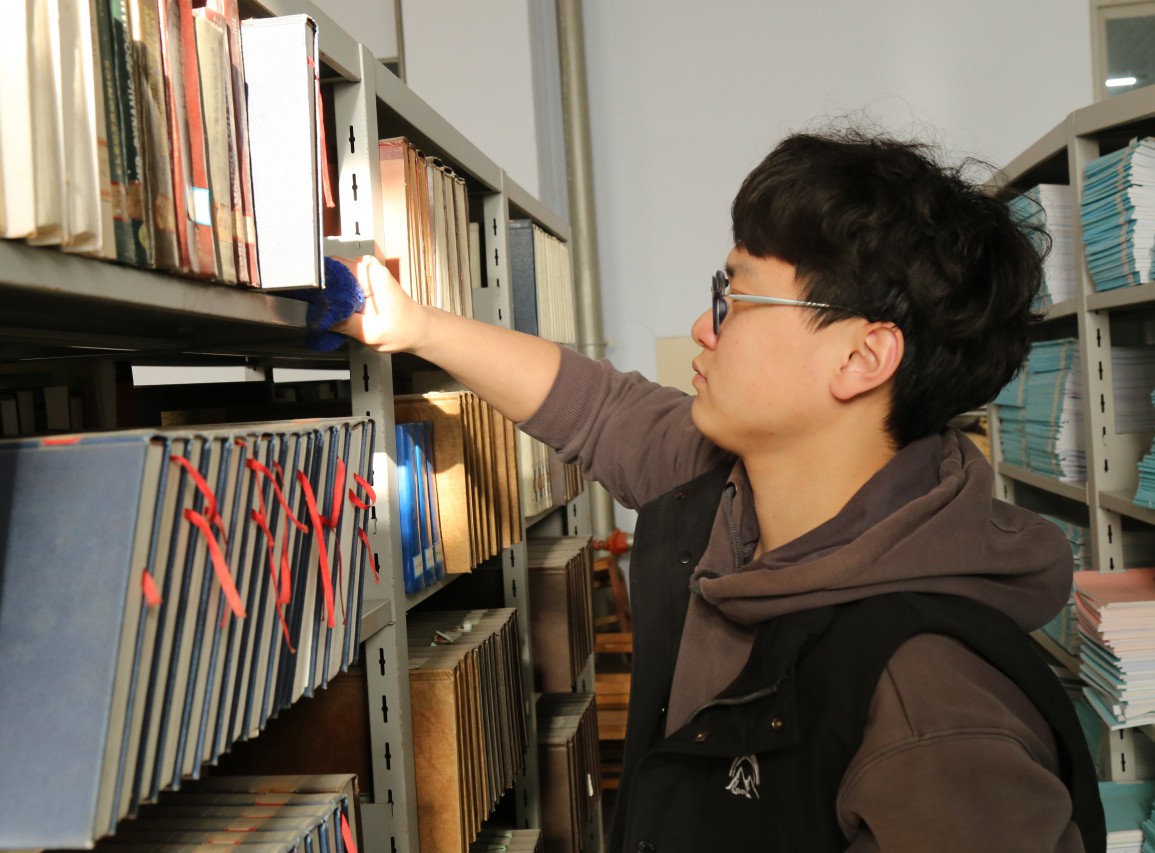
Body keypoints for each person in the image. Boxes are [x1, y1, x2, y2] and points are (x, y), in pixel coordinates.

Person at [335, 126, 1103, 852]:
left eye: (736, 298)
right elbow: (597, 408)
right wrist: (415, 326)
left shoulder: (935, 708)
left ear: (862, 358)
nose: (704, 329)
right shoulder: (721, 482)